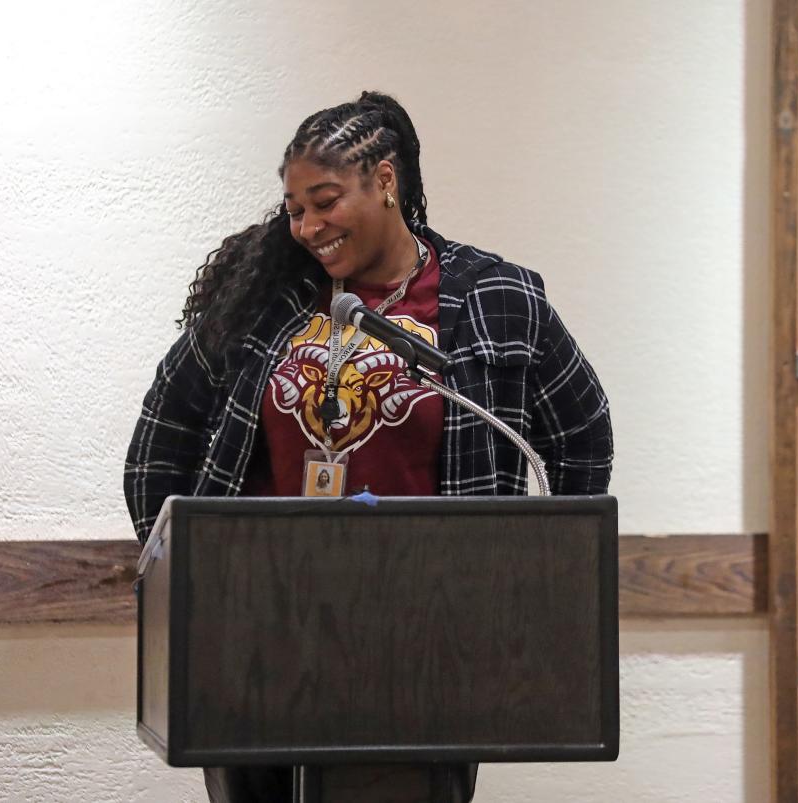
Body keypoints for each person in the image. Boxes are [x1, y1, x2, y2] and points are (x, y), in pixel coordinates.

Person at [124, 90, 614, 803]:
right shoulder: (266, 301)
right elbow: (154, 452)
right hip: (258, 642)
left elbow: (581, 436)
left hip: (425, 647)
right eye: (295, 209)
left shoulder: (495, 299)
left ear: (386, 180)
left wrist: (529, 588)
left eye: (324, 201)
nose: (307, 227)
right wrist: (195, 590)